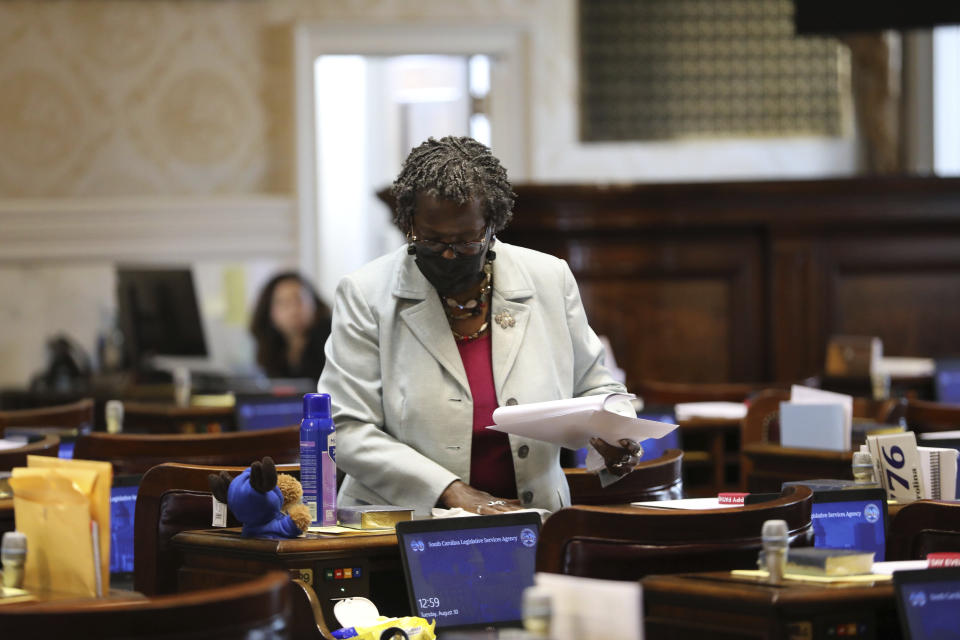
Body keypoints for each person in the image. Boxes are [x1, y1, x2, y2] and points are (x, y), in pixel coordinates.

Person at [319, 136, 642, 516]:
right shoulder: (366, 294)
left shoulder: (548, 278)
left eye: (466, 241)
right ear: (408, 224)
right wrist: (452, 492)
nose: (450, 254)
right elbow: (347, 428)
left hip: (534, 519)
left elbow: (598, 386)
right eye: (433, 241)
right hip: (403, 523)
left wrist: (618, 432)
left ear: (492, 225)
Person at [250, 272, 332, 381]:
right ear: (269, 312)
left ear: (315, 304)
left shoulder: (331, 340)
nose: (294, 310)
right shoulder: (272, 347)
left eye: (299, 300)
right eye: (284, 303)